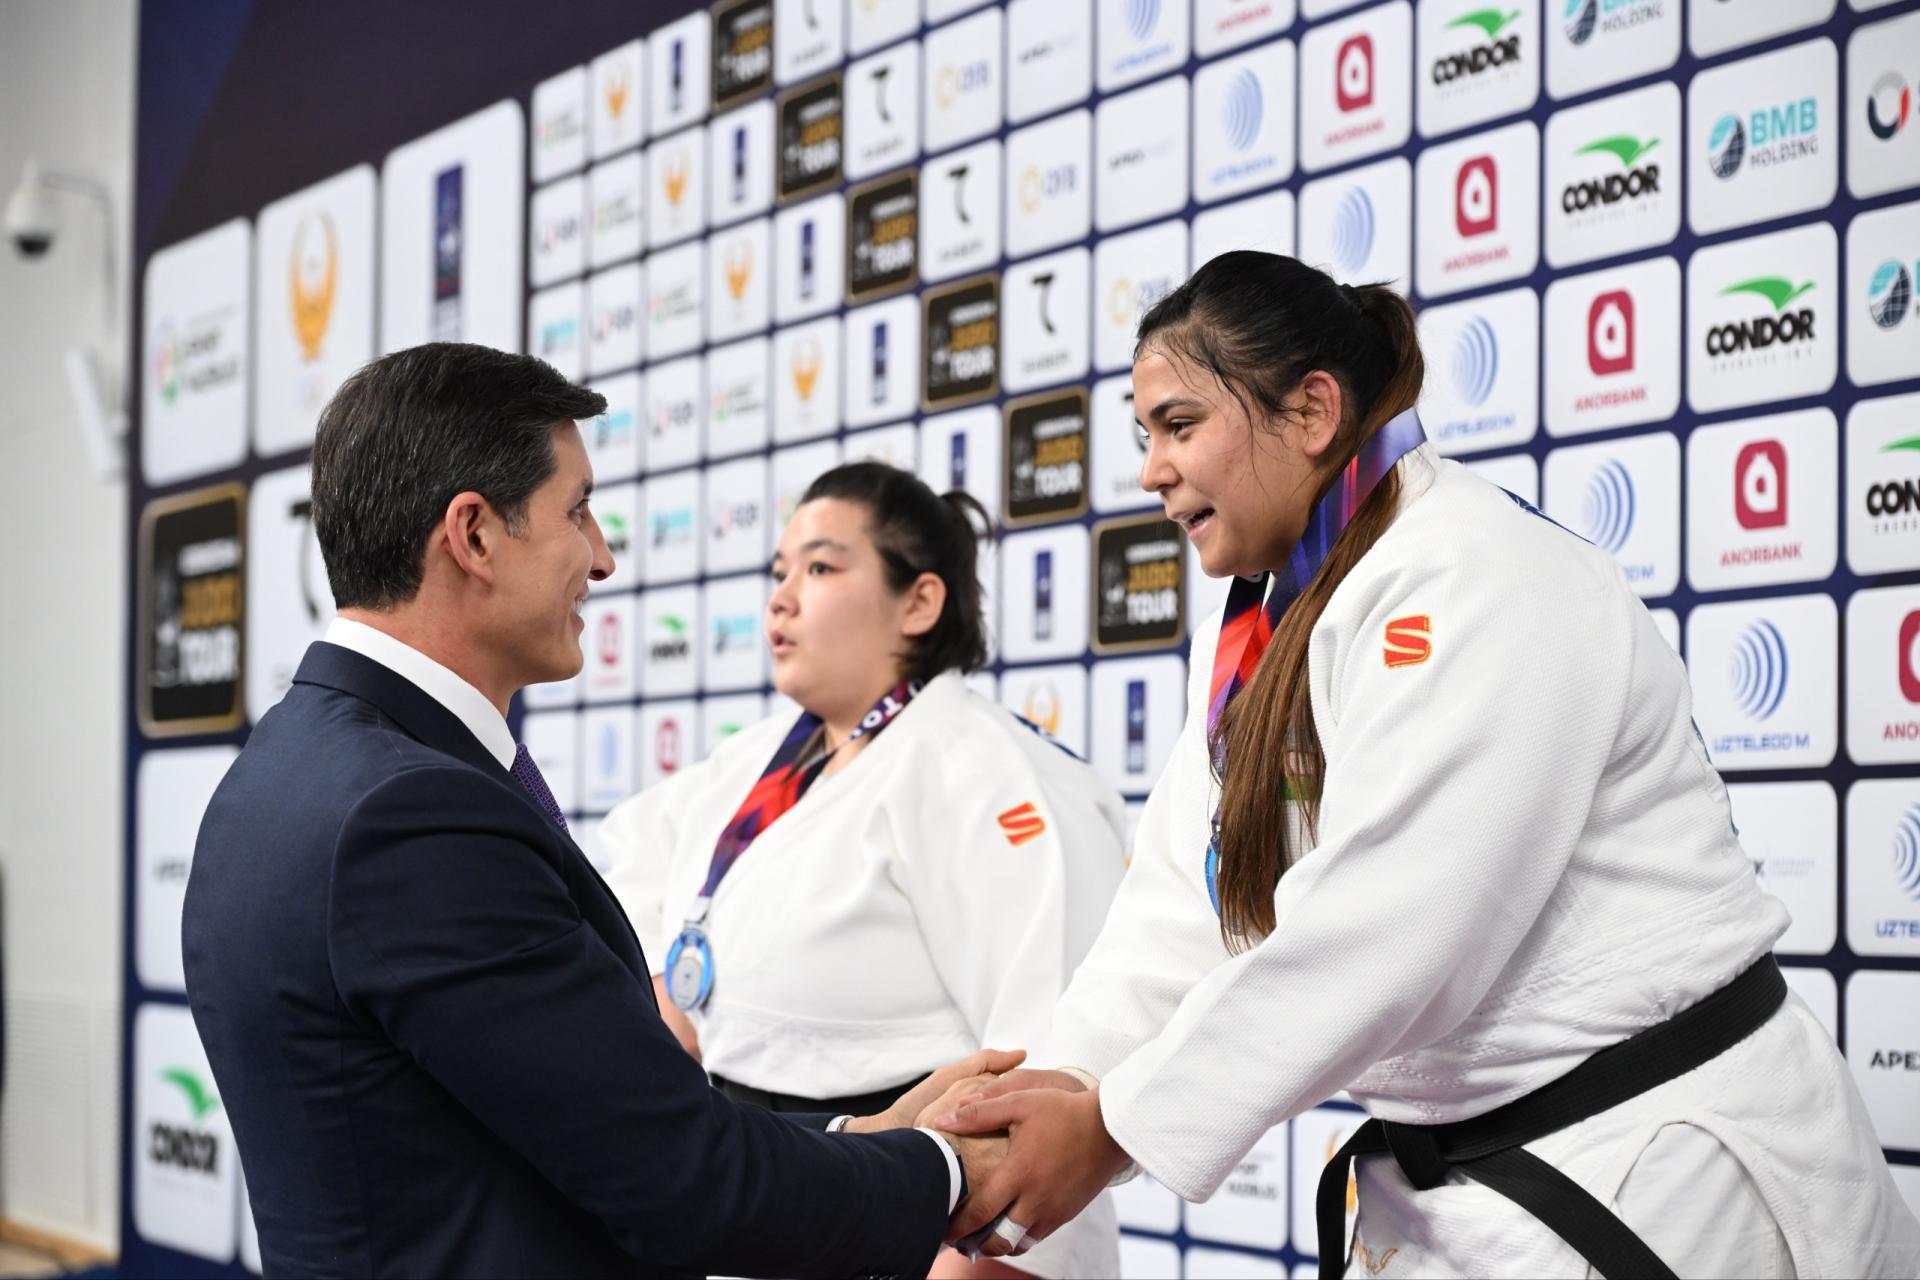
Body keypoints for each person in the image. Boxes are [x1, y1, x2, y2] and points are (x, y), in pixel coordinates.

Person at [933, 252, 1920, 1278]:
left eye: (1180, 425)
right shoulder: (1261, 620)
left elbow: (1393, 927)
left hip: (1662, 1165)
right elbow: (1189, 896)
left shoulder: (1474, 570)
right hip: (1474, 1188)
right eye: (1147, 435)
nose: (1151, 470)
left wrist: (1113, 1126)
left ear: (1312, 412)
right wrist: (1066, 1084)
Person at [181, 343, 1014, 1280]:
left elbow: (581, 1123)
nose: (604, 557)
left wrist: (864, 1138)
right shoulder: (412, 817)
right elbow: (685, 1184)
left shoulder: (285, 769)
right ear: (474, 535)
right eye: (577, 511)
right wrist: (945, 1168)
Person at [601, 460, 1127, 1280]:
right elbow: (630, 890)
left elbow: (1049, 1085)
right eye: (779, 572)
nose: (781, 599)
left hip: (919, 1236)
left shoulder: (990, 775)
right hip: (748, 1204)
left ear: (919, 602)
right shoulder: (751, 765)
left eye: (819, 568)